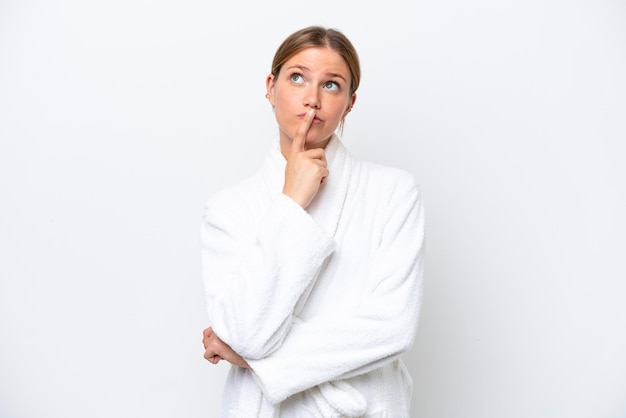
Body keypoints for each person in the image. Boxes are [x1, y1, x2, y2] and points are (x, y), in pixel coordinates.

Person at [200, 25, 425, 417]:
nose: (313, 99)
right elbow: (248, 331)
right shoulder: (228, 209)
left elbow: (393, 327)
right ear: (271, 86)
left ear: (350, 103)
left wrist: (255, 359)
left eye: (332, 85)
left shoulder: (393, 193)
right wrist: (292, 201)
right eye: (297, 77)